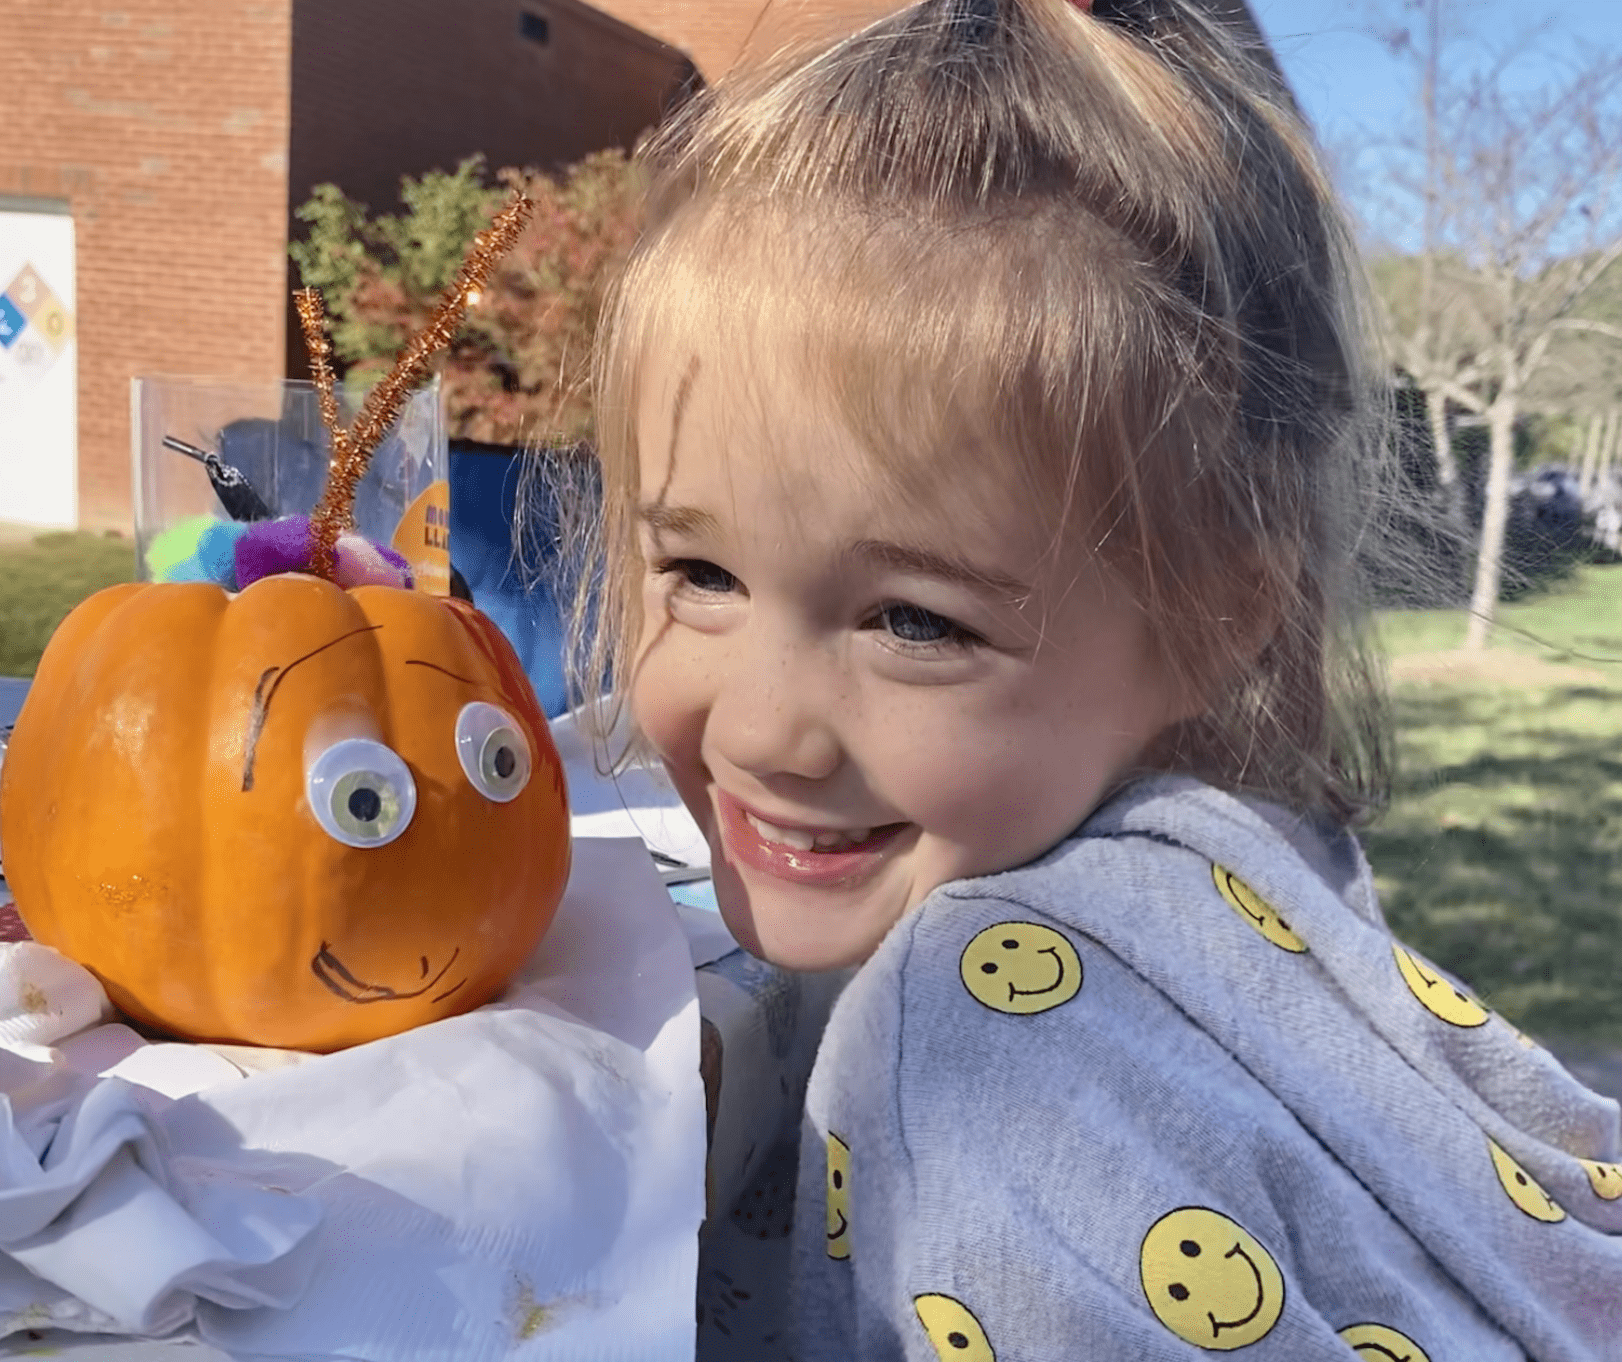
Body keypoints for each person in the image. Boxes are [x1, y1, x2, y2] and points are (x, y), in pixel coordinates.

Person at [563, 0, 1622, 1354]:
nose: (763, 728)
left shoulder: (975, 1042)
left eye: (914, 621)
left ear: (1210, 611)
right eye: (699, 575)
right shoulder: (1236, 883)